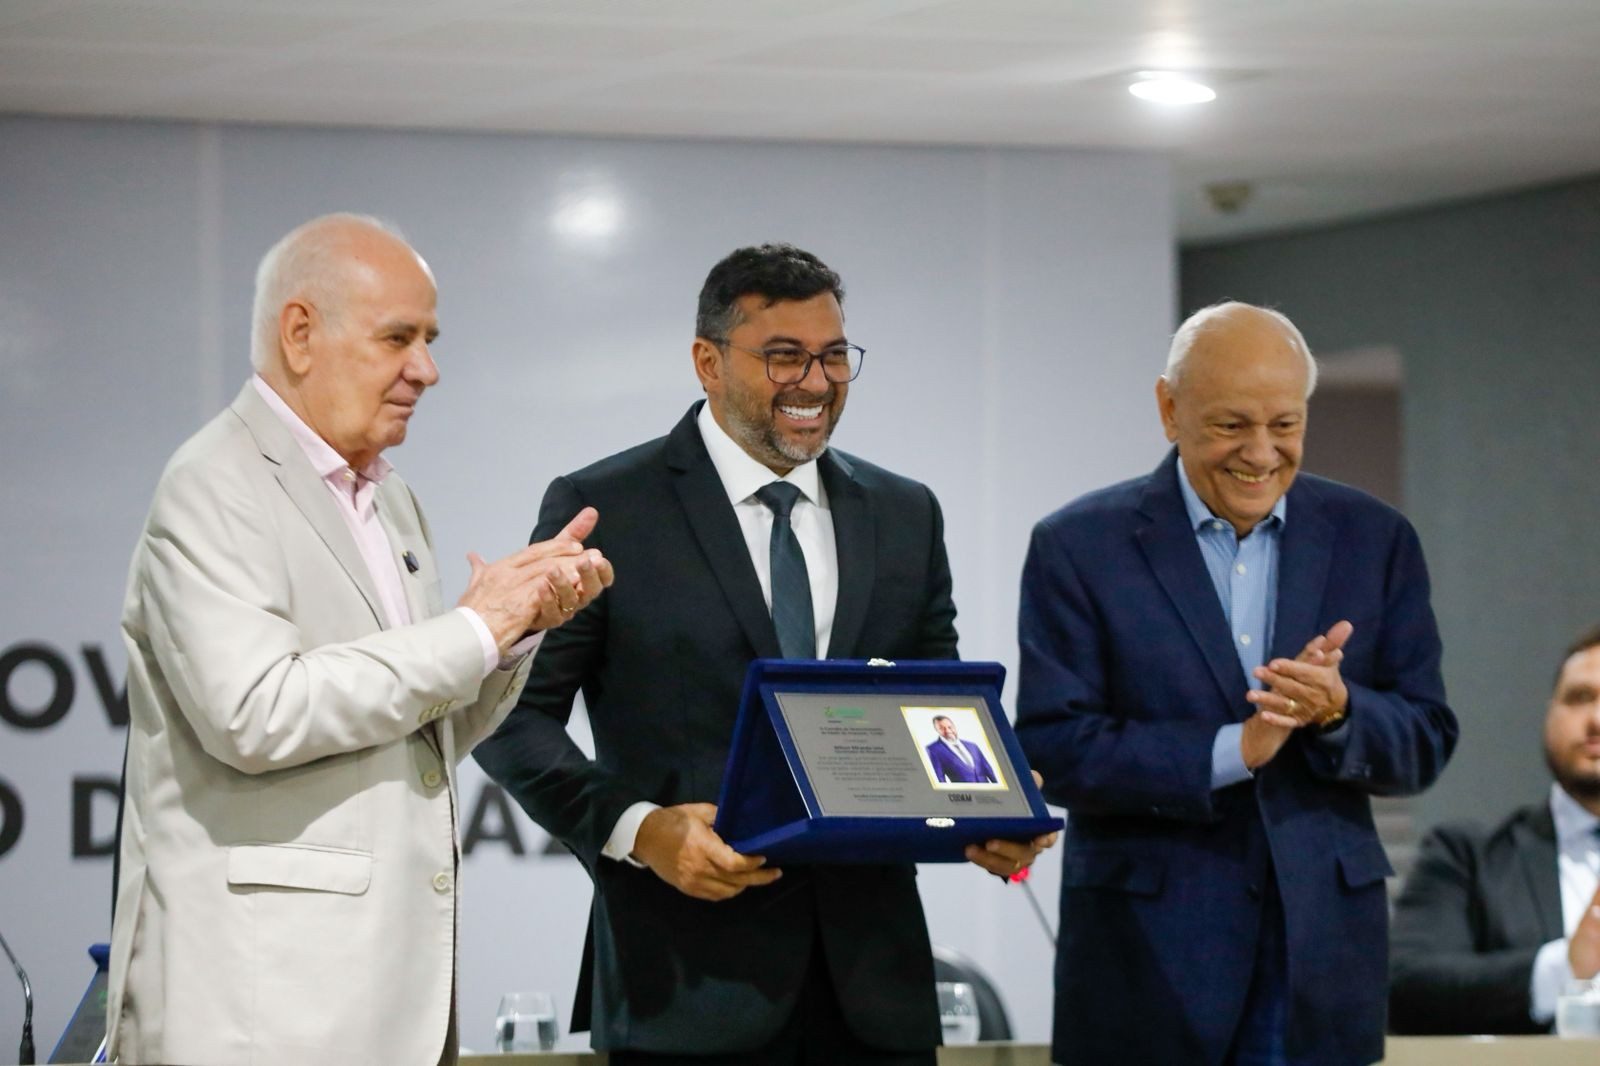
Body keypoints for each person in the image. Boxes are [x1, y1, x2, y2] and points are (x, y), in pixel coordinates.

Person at [474, 243, 1053, 1064]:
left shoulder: (905, 513)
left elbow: (935, 709)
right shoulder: (609, 509)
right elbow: (510, 719)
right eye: (784, 356)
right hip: (683, 993)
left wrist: (993, 808)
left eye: (833, 356)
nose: (815, 382)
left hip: (876, 996)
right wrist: (642, 831)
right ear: (707, 362)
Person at [106, 213, 612, 1066]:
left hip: (390, 1006)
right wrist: (470, 629)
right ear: (300, 334)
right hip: (263, 1017)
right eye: (398, 338)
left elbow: (418, 737)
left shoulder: (391, 499)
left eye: (430, 341)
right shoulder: (213, 483)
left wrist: (514, 633)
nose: (427, 369)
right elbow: (255, 712)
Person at [1015, 301, 1457, 1066]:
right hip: (1144, 968)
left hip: (1319, 968)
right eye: (1231, 425)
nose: (1261, 453)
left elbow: (1426, 737)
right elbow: (1056, 744)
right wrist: (1231, 751)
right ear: (1169, 410)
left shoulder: (1376, 539)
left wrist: (1339, 712)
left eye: (1285, 424)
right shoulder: (1079, 546)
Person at [1389, 625, 1600, 1035]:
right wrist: (1564, 968)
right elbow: (1406, 988)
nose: (1595, 719)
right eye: (1580, 697)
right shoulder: (1467, 857)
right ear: (1549, 713)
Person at [925, 715, 998, 784]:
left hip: (987, 790)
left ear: (954, 727)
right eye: (942, 728)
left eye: (950, 727)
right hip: (965, 792)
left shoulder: (972, 746)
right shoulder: (933, 749)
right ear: (937, 730)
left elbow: (987, 768)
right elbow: (940, 778)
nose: (947, 731)